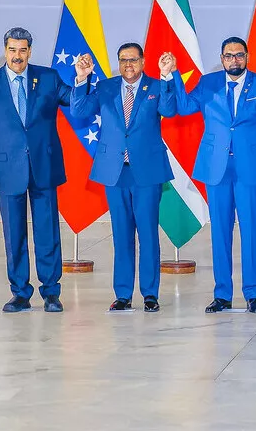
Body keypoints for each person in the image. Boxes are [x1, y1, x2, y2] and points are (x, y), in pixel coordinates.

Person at [170, 37, 256, 314]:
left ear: (247, 56)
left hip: (251, 167)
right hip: (216, 167)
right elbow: (184, 107)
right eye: (229, 56)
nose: (234, 60)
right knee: (220, 231)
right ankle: (222, 294)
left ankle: (253, 294)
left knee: (251, 232)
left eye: (239, 55)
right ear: (221, 59)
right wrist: (172, 74)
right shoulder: (208, 83)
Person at [71, 44, 177, 312]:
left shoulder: (155, 86)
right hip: (115, 171)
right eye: (123, 60)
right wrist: (82, 78)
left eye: (133, 59)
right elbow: (80, 111)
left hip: (147, 172)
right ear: (118, 62)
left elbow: (170, 109)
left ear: (143, 61)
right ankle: (123, 295)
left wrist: (166, 76)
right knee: (121, 235)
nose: (128, 64)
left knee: (148, 234)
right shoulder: (105, 87)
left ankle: (150, 294)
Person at [0, 28, 72, 313]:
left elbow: (73, 101)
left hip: (44, 166)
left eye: (23, 50)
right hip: (7, 170)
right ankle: (20, 292)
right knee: (13, 234)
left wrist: (81, 78)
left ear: (30, 51)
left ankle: (51, 292)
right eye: (13, 50)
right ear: (5, 50)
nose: (18, 56)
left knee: (48, 232)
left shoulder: (49, 78)